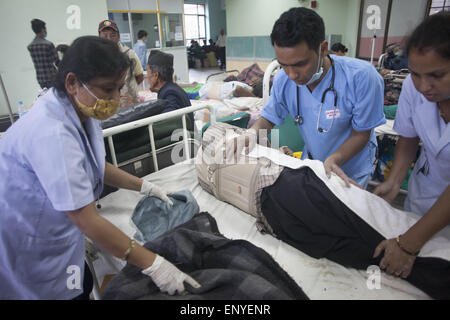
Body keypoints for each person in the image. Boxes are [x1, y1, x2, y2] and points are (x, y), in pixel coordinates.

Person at [0, 36, 200, 299]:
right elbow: (86, 219)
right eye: (108, 89)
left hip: (60, 236)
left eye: (119, 88)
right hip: (31, 241)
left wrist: (144, 186)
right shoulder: (52, 132)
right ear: (72, 82)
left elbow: (94, 165)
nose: (116, 98)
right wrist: (153, 263)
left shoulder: (83, 109)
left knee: (76, 284)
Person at [229, 7, 386, 189]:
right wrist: (251, 133)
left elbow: (362, 133)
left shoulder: (361, 77)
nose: (292, 75)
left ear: (323, 49)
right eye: (284, 65)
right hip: (313, 162)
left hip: (351, 168)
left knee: (342, 214)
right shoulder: (282, 80)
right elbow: (268, 119)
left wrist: (334, 159)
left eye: (300, 64)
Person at [372, 12, 450, 279]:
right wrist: (394, 181)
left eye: (437, 75)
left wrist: (408, 245)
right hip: (422, 196)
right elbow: (408, 136)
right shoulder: (414, 88)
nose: (424, 86)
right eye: (416, 74)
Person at [98, 20, 144, 108]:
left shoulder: (129, 54)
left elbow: (140, 77)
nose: (109, 39)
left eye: (113, 35)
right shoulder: (95, 58)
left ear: (118, 37)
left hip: (130, 104)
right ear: (99, 37)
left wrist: (127, 88)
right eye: (105, 35)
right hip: (107, 107)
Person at [146, 50, 194, 126]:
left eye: (147, 72)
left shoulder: (170, 93)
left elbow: (167, 119)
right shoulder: (170, 88)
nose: (147, 76)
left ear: (155, 75)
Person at [27, 19, 59, 89]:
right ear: (43, 29)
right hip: (52, 77)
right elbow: (56, 61)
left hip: (40, 78)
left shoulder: (30, 46)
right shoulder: (48, 44)